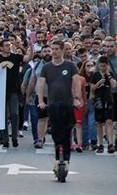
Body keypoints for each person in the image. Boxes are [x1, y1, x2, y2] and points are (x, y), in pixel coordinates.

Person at [37, 40, 81, 171]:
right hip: (53, 104)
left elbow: (76, 82)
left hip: (67, 103)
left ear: (62, 50)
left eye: (57, 49)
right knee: (56, 132)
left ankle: (66, 159)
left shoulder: (70, 66)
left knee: (67, 131)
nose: (54, 51)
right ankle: (58, 159)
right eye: (53, 49)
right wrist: (40, 101)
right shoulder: (47, 67)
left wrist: (77, 98)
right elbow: (41, 84)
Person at [0, 37, 33, 148]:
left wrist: (31, 48)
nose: (8, 47)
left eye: (9, 45)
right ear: (1, 47)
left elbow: (27, 58)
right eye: (6, 45)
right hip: (1, 91)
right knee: (3, 116)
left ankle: (14, 136)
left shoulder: (16, 57)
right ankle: (5, 139)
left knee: (15, 114)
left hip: (14, 90)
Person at [90, 55, 117, 153]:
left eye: (104, 66)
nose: (102, 68)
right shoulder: (95, 75)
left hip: (108, 99)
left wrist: (108, 74)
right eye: (101, 66)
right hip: (98, 99)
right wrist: (98, 84)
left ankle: (110, 143)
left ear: (107, 66)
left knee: (109, 121)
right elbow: (92, 89)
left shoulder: (110, 74)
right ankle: (100, 143)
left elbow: (114, 85)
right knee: (99, 122)